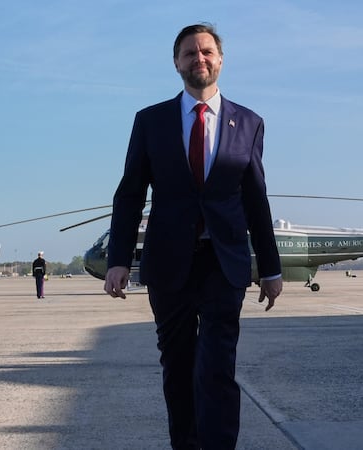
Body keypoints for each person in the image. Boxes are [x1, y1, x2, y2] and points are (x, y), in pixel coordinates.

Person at [103, 23, 283, 449]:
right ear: (176, 63)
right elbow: (130, 194)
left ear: (220, 59)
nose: (198, 59)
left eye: (206, 52)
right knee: (178, 365)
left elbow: (257, 199)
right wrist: (118, 259)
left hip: (224, 261)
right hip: (168, 262)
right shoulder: (151, 121)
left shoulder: (250, 123)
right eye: (189, 53)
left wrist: (271, 268)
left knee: (218, 364)